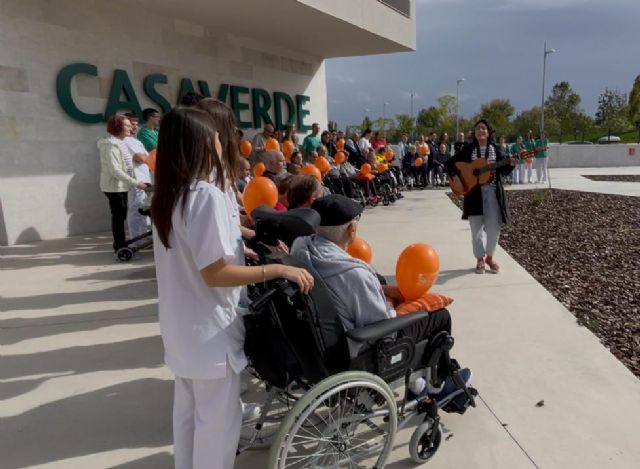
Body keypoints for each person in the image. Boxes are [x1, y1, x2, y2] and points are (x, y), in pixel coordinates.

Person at [150, 107, 313, 469]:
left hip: (182, 331)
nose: (222, 144)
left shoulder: (169, 195)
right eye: (214, 137)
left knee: (189, 420)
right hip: (210, 333)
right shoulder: (204, 194)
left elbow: (199, 258)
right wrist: (275, 271)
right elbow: (216, 273)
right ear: (200, 144)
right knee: (217, 430)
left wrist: (246, 249)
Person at [291, 195, 469, 395]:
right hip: (360, 348)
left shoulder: (301, 248)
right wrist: (394, 305)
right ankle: (437, 384)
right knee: (439, 316)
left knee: (382, 282)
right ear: (351, 230)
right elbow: (383, 326)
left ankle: (423, 381)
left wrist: (381, 290)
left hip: (317, 343)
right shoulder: (353, 274)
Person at [445, 119, 515, 274]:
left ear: (489, 132)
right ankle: (480, 259)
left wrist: (512, 163)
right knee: (476, 229)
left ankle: (489, 257)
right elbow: (449, 163)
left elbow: (504, 171)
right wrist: (456, 178)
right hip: (473, 194)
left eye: (483, 128)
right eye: (478, 128)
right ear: (474, 133)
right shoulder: (468, 149)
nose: (480, 131)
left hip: (493, 193)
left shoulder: (496, 150)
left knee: (493, 228)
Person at [98, 115, 148, 255]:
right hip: (114, 187)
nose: (131, 127)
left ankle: (120, 244)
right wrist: (136, 182)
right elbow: (115, 170)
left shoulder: (119, 143)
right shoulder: (110, 145)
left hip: (121, 185)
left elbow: (126, 167)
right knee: (119, 217)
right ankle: (119, 246)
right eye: (127, 125)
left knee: (121, 216)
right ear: (118, 127)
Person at [123, 113, 152, 245]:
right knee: (135, 209)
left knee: (144, 208)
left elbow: (147, 158)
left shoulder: (136, 141)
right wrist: (149, 159)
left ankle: (145, 236)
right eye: (131, 125)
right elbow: (141, 158)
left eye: (136, 124)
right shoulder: (125, 141)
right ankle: (137, 240)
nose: (134, 127)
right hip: (136, 180)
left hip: (146, 179)